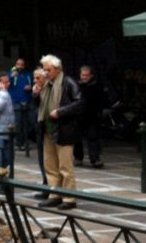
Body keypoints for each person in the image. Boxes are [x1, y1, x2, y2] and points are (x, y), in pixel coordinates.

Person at [35, 54, 83, 209]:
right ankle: (55, 194)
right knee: (51, 166)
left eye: (48, 70)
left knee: (65, 167)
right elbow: (40, 105)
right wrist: (36, 93)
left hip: (64, 130)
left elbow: (80, 103)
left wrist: (61, 112)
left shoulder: (68, 83)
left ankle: (69, 198)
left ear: (57, 69)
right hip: (48, 130)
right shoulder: (47, 84)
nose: (45, 72)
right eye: (44, 69)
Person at [73, 65, 106, 169]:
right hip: (78, 116)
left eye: (86, 75)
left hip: (92, 116)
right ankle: (78, 158)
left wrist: (100, 112)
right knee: (77, 138)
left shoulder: (97, 86)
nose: (84, 77)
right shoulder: (76, 86)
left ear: (91, 75)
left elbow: (102, 101)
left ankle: (95, 159)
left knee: (93, 138)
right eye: (83, 75)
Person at [9, 57, 35, 150]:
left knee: (31, 122)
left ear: (24, 66)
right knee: (17, 123)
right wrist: (12, 77)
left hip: (28, 100)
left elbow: (35, 85)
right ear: (15, 65)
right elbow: (6, 84)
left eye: (22, 64)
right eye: (18, 64)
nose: (20, 66)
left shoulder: (29, 74)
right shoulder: (11, 74)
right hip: (16, 101)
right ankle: (18, 143)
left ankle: (24, 141)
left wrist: (31, 87)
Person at [30, 68, 49, 184]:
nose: (35, 80)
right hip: (39, 128)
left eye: (37, 78)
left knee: (49, 159)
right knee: (41, 158)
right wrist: (36, 94)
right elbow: (36, 106)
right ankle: (45, 182)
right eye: (34, 78)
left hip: (48, 128)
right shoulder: (38, 90)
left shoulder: (50, 89)